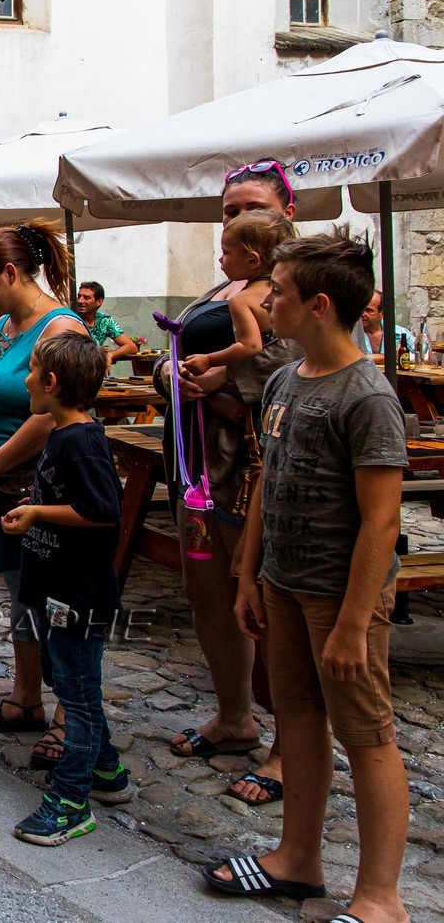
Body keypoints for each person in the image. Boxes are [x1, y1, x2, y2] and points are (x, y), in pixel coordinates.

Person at [205, 229, 410, 923]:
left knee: (366, 734)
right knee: (296, 716)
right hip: (284, 584)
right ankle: (298, 861)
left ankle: (381, 899)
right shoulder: (290, 379)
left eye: (279, 294)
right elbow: (269, 475)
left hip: (338, 595)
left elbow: (381, 522)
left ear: (318, 305)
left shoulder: (369, 396)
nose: (266, 304)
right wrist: (248, 570)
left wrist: (354, 621)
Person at [157, 162, 301, 806]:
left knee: (265, 598)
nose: (233, 221)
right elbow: (178, 351)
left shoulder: (305, 286)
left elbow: (301, 363)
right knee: (208, 589)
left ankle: (288, 746)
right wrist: (171, 377)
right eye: (227, 211)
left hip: (250, 466)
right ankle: (235, 716)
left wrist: (220, 385)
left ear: (283, 216)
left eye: (248, 209)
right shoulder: (222, 287)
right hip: (195, 468)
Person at [0, 221, 84, 771]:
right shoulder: (6, 322)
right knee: (20, 592)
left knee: (56, 598)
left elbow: (52, 417)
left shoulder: (61, 329)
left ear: (10, 272)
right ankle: (27, 697)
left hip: (35, 480)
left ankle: (70, 715)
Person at [0, 334, 133, 845]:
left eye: (31, 371)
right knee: (69, 679)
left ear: (51, 383)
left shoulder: (81, 441)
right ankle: (106, 770)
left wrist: (36, 512)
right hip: (57, 592)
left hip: (80, 597)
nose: (26, 379)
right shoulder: (62, 433)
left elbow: (103, 510)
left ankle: (72, 799)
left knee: (76, 697)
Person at [182, 213, 297, 404]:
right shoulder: (292, 290)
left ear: (252, 260)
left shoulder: (242, 300)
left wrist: (209, 360)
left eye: (226, 252)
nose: (220, 259)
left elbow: (250, 346)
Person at [75, 281, 137, 362]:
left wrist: (109, 355)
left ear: (99, 302)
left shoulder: (105, 321)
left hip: (94, 370)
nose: (80, 301)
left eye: (86, 298)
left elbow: (131, 347)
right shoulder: (70, 319)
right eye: (79, 296)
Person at [353, 290, 416, 363]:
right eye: (360, 309)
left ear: (382, 314)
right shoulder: (349, 334)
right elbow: (351, 360)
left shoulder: (399, 333)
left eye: (368, 310)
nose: (362, 314)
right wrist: (390, 357)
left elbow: (422, 356)